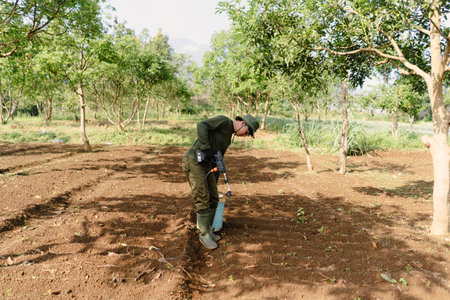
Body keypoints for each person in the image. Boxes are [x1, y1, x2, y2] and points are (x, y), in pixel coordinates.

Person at [182, 114, 260, 249]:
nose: (245, 135)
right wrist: (206, 148)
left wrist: (216, 174)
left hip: (208, 166)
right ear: (243, 124)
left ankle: (209, 231)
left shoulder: (228, 138)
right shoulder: (224, 122)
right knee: (203, 196)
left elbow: (217, 157)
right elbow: (202, 125)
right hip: (194, 161)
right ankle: (204, 234)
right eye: (247, 132)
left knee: (213, 197)